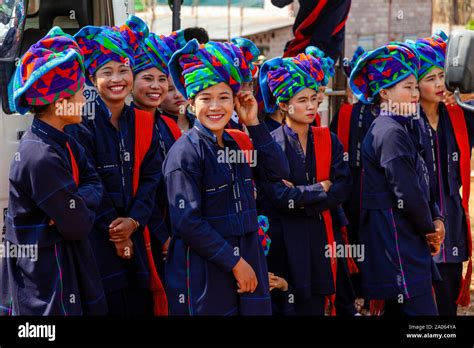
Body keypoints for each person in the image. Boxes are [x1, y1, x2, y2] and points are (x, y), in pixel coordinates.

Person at [164, 39, 287, 315]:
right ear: (192, 105)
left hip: (246, 259)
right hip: (205, 273)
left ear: (235, 101)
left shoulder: (236, 144)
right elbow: (188, 222)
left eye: (224, 97)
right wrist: (235, 263)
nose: (215, 106)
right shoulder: (184, 153)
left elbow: (278, 172)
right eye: (206, 98)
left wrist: (253, 122)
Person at [0, 27, 107, 315]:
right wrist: (78, 207)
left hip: (63, 268)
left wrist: (77, 200)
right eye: (78, 94)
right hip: (45, 284)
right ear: (60, 104)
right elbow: (79, 225)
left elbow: (94, 182)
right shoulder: (40, 156)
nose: (85, 101)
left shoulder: (65, 139)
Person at [68, 23, 166, 315]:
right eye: (105, 72)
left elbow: (151, 177)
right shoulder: (80, 123)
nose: (116, 79)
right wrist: (116, 229)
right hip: (97, 238)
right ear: (91, 77)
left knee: (139, 302)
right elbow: (88, 180)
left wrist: (134, 221)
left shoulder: (144, 122)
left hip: (137, 233)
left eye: (123, 70)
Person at [350, 42, 445, 315]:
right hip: (395, 239)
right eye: (407, 87)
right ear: (384, 92)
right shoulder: (389, 132)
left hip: (406, 235)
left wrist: (436, 217)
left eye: (416, 86)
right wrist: (430, 229)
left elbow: (423, 180)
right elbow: (408, 192)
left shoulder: (405, 125)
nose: (415, 94)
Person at [257, 46, 352, 315]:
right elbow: (277, 196)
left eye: (313, 98)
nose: (311, 106)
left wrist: (301, 196)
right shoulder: (270, 145)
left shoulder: (328, 139)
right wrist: (320, 187)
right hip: (284, 238)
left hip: (320, 234)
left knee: (315, 303)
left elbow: (343, 187)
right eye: (301, 100)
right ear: (284, 105)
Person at [408, 31, 473, 314]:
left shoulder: (460, 114)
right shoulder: (404, 121)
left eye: (441, 76)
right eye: (429, 78)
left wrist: (468, 93)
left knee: (446, 302)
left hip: (453, 223)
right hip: (415, 226)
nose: (438, 84)